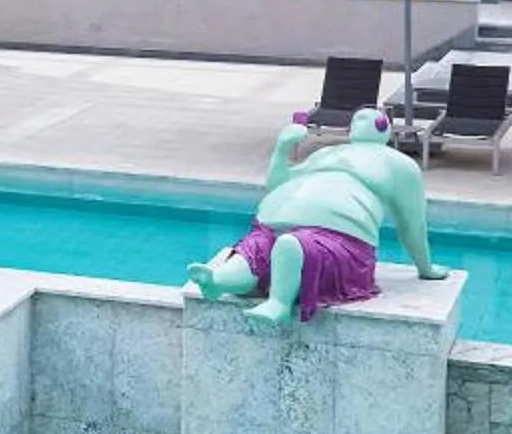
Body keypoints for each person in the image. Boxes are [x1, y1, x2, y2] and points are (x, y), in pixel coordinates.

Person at [185, 106, 442, 325]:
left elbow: (412, 224)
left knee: (293, 246)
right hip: (274, 225)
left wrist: (425, 267)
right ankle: (217, 280)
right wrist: (282, 148)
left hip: (339, 240)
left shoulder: (399, 164)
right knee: (255, 252)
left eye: (369, 117)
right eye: (357, 118)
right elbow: (277, 184)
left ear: (384, 127)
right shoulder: (326, 153)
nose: (360, 121)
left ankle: (279, 303)